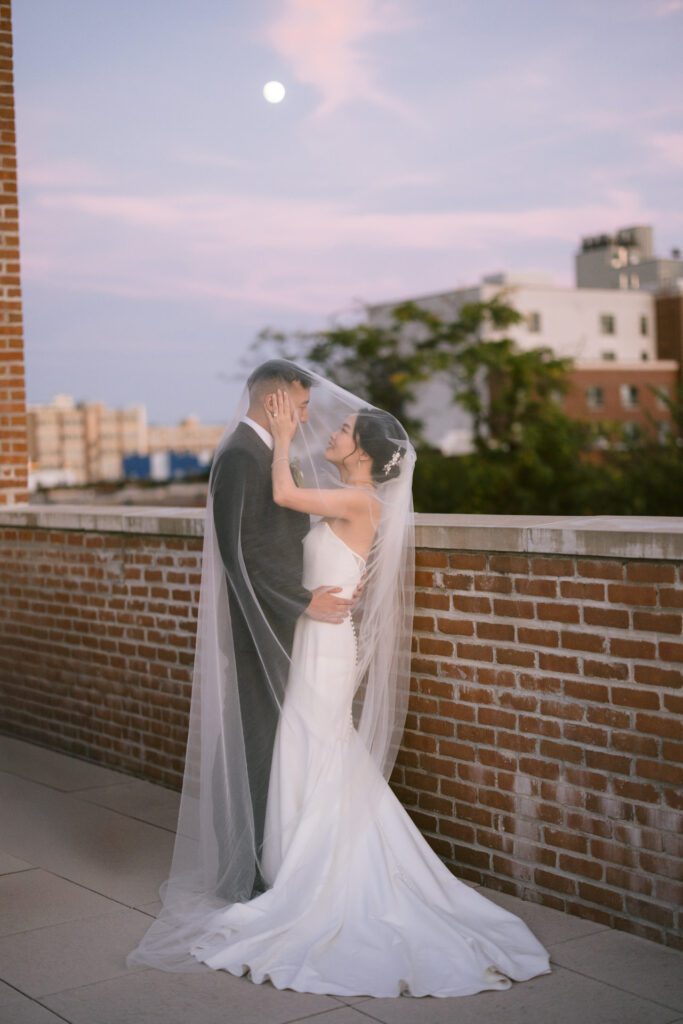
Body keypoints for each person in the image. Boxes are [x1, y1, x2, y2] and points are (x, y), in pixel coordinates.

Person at [127, 363, 552, 998]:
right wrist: (280, 447)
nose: (318, 420)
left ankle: (308, 871)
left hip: (324, 641)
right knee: (310, 746)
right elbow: (263, 539)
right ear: (276, 394)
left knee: (314, 741)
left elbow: (284, 502)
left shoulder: (356, 498)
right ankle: (293, 861)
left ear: (366, 453)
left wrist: (282, 440)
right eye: (301, 403)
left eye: (343, 427)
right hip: (313, 631)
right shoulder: (302, 475)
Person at [209, 361, 354, 894]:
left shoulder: (265, 454)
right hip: (262, 627)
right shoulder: (240, 456)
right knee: (262, 747)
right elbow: (239, 553)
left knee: (282, 748)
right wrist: (300, 602)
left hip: (282, 624)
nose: (307, 414)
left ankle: (284, 864)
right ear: (275, 401)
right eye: (302, 403)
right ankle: (257, 876)